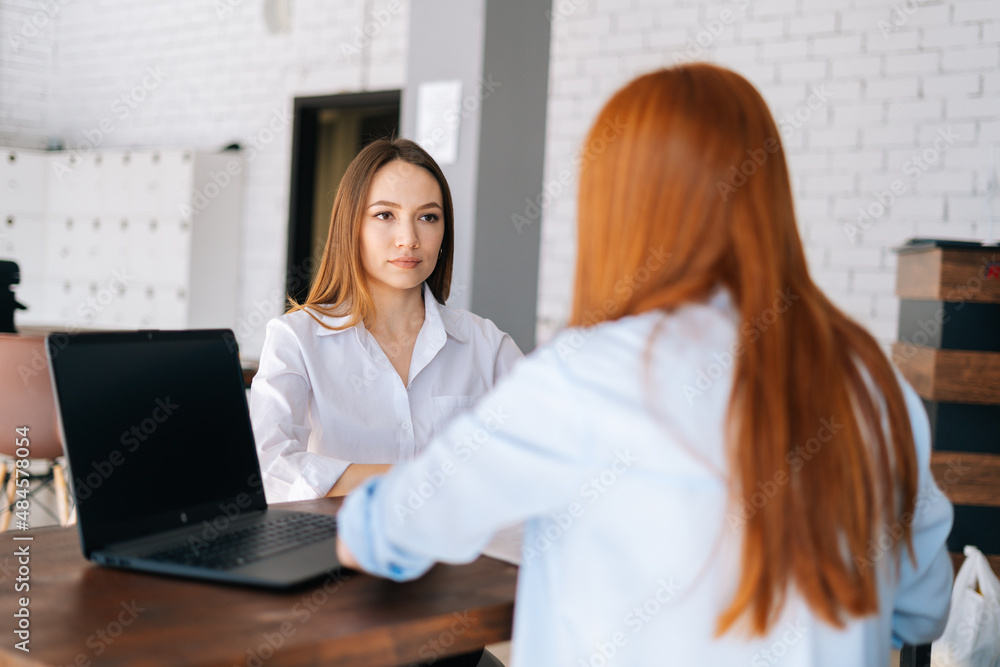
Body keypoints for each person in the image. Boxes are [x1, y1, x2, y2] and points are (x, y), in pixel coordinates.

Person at [334, 64, 955, 665]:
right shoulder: (872, 381)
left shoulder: (588, 378)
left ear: (620, 210)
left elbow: (385, 531)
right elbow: (922, 611)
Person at [250, 138, 522, 503]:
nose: (408, 239)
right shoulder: (296, 339)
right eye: (384, 215)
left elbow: (540, 452)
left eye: (428, 217)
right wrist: (418, 478)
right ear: (352, 227)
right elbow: (271, 467)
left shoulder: (486, 344)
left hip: (460, 551)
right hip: (332, 548)